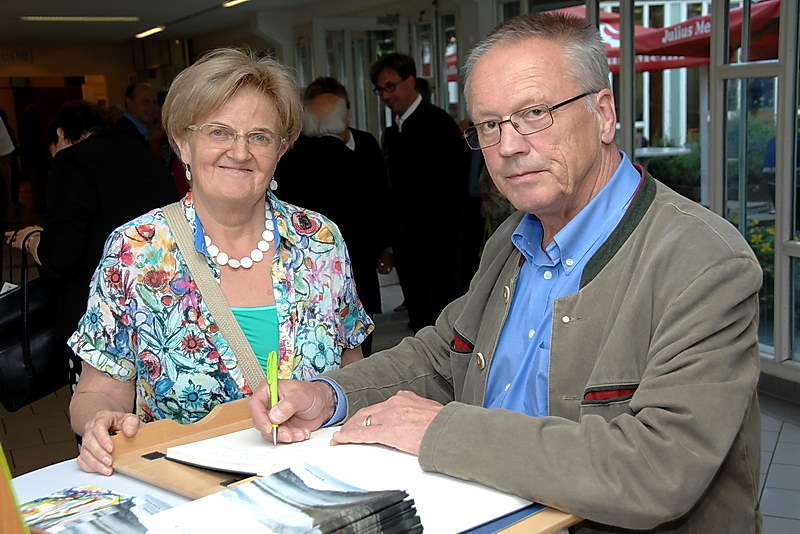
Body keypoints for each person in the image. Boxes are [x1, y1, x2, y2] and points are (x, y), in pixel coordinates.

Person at [249, 13, 762, 533]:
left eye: (535, 113)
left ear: (603, 114)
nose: (509, 146)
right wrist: (326, 394)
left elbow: (656, 470)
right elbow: (443, 354)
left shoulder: (704, 262)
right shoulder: (514, 236)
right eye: (489, 125)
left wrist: (442, 432)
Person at [66, 48, 372, 476]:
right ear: (182, 143)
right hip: (188, 490)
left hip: (315, 479)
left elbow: (356, 373)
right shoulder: (135, 250)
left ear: (281, 149)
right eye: (219, 132)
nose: (240, 152)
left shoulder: (320, 240)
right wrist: (100, 421)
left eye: (259, 137)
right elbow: (96, 392)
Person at [5, 101, 180, 391]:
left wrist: (30, 240)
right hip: (158, 313)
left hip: (99, 323)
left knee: (101, 409)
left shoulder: (71, 162)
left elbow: (59, 258)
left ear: (60, 134)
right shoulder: (140, 152)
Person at [276, 77, 393, 355]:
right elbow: (379, 202)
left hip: (309, 263)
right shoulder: (353, 161)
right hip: (357, 260)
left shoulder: (292, 159)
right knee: (358, 336)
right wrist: (383, 247)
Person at [371, 53, 469, 332]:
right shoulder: (394, 131)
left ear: (411, 81)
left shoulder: (438, 124)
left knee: (443, 321)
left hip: (438, 244)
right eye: (380, 90)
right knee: (420, 321)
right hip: (408, 246)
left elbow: (452, 189)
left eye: (391, 86)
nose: (386, 95)